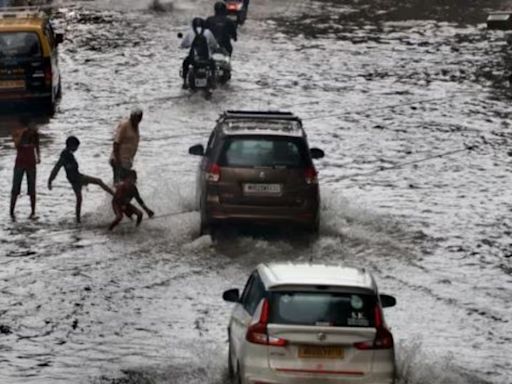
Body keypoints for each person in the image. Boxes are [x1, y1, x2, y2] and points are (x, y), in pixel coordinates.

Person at [48, 136, 113, 223]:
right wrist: (50, 180)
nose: (77, 149)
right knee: (98, 181)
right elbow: (57, 168)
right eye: (76, 147)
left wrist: (51, 180)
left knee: (79, 198)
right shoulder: (65, 155)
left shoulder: (67, 154)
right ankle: (113, 194)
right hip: (77, 178)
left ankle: (78, 220)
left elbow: (58, 168)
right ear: (71, 145)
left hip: (73, 178)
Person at [10, 117, 40, 221]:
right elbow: (17, 145)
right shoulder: (18, 133)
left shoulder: (35, 134)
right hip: (20, 163)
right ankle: (11, 211)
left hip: (31, 163)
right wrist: (22, 133)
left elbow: (37, 145)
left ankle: (33, 211)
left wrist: (38, 156)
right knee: (15, 188)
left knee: (32, 189)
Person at [180, 17, 219, 89]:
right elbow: (214, 45)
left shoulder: (190, 32)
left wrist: (183, 46)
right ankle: (213, 81)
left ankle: (184, 82)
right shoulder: (208, 32)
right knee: (213, 65)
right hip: (207, 59)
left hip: (193, 59)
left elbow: (184, 45)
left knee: (185, 64)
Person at [110, 108, 143, 183]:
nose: (136, 120)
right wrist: (118, 161)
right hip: (119, 160)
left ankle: (114, 193)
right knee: (129, 180)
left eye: (138, 118)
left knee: (122, 183)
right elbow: (116, 143)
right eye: (134, 117)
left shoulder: (135, 127)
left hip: (127, 161)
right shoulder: (124, 126)